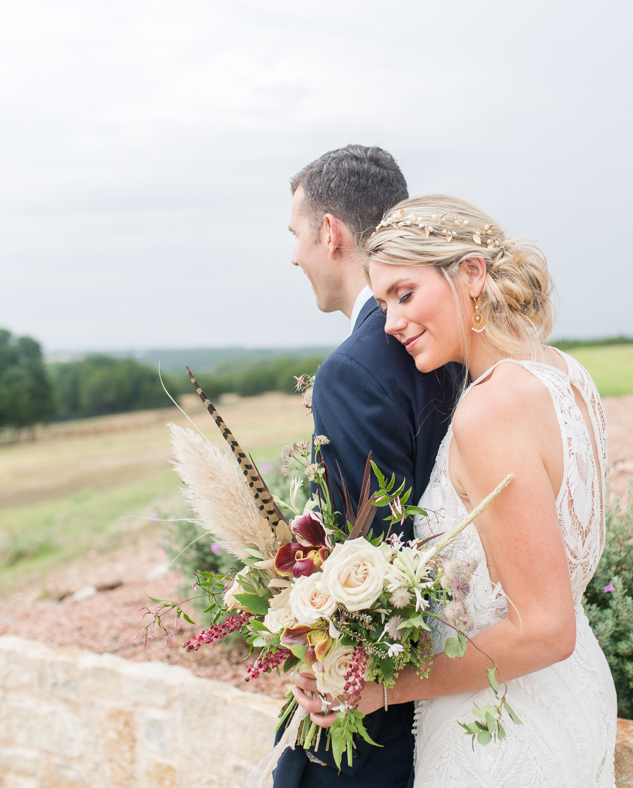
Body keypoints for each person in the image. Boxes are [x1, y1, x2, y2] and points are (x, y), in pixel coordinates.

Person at [293, 195, 617, 787]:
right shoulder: (564, 373)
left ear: (471, 274)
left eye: (405, 294)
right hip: (566, 697)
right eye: (384, 299)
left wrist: (383, 688)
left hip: (499, 729)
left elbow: (545, 627)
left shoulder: (489, 411)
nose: (390, 322)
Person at [277, 149, 461, 788]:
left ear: (329, 233)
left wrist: (325, 667)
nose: (294, 255)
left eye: (296, 235)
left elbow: (376, 560)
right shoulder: (456, 342)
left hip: (382, 728)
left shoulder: (354, 370)